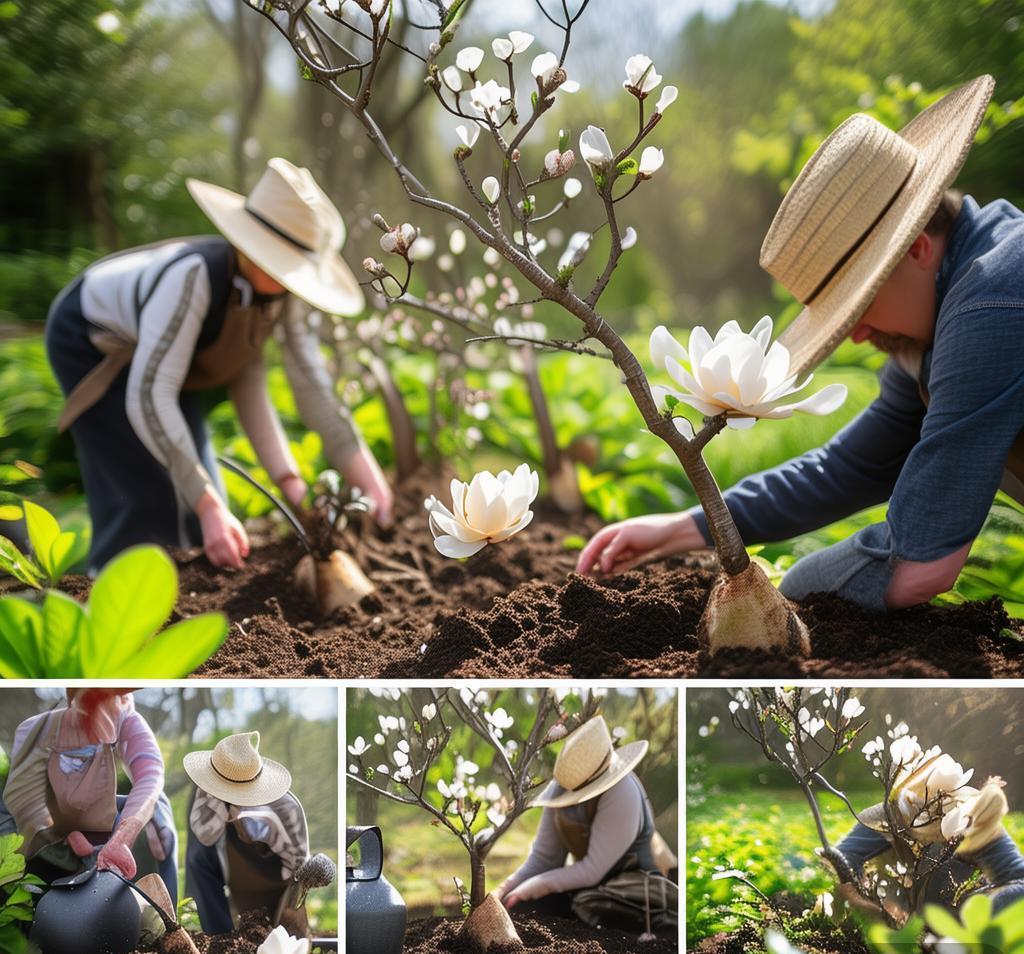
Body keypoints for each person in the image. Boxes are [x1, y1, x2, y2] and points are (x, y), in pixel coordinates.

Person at [578, 75, 1024, 612]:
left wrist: (788, 599)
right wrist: (681, 528)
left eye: (859, 304)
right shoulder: (959, 299)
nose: (856, 333)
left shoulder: (988, 306)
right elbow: (853, 467)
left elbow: (916, 565)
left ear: (915, 249)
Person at [45, 157, 393, 573]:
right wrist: (207, 503)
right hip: (91, 341)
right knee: (147, 494)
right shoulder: (192, 278)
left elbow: (286, 385)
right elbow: (150, 396)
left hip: (164, 362)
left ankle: (187, 589)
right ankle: (109, 586)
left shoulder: (282, 298)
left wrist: (355, 479)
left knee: (201, 507)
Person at [494, 716, 677, 932]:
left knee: (583, 905)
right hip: (590, 890)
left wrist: (531, 888)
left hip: (635, 892)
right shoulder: (562, 786)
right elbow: (543, 859)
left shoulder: (623, 790)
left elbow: (592, 869)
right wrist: (504, 890)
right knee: (524, 907)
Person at [0, 688, 177, 900]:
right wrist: (69, 835)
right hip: (39, 827)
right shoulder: (37, 729)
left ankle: (162, 910)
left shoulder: (127, 718)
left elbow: (150, 776)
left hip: (94, 822)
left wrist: (122, 838)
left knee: (158, 813)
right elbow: (25, 799)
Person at [183, 731, 327, 936]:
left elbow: (299, 863)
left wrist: (310, 874)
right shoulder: (207, 792)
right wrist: (222, 807)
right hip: (235, 871)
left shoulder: (286, 809)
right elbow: (204, 835)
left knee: (278, 937)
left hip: (276, 877)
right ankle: (219, 936)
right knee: (198, 857)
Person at [832, 779, 1024, 918]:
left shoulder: (969, 819)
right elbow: (842, 857)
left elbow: (1019, 883)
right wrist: (861, 899)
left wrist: (980, 912)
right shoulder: (890, 815)